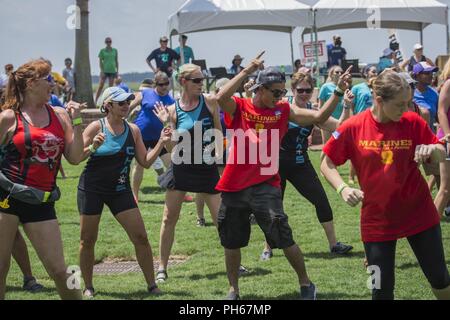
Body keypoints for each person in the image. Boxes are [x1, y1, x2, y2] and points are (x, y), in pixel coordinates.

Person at [215, 51, 352, 300]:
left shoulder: (283, 111)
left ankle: (306, 284)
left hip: (265, 184)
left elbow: (319, 117)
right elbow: (220, 96)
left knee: (283, 236)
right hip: (234, 186)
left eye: (282, 92)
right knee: (232, 242)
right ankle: (233, 289)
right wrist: (247, 70)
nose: (280, 97)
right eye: (276, 92)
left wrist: (338, 92)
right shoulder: (241, 108)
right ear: (260, 89)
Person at [320, 70, 450, 300]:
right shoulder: (353, 126)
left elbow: (441, 150)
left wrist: (433, 150)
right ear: (379, 101)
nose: (405, 109)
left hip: (419, 214)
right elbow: (326, 162)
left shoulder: (412, 121)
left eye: (408, 103)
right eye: (400, 104)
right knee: (380, 289)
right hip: (376, 221)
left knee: (440, 278)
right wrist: (343, 188)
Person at [0, 58, 85, 300]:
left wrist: (77, 121)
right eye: (47, 79)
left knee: (60, 269)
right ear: (30, 84)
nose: (52, 83)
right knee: (0, 268)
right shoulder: (8, 117)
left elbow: (76, 157)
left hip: (41, 201)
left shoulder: (59, 114)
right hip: (5, 198)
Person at [76, 86, 168, 298]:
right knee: (87, 240)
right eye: (121, 103)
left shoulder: (133, 130)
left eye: (128, 102)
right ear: (108, 106)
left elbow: (145, 162)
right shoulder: (95, 127)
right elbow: (75, 158)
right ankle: (88, 286)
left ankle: (152, 285)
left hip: (119, 190)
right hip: (92, 189)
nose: (126, 106)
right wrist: (93, 147)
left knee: (141, 237)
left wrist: (162, 142)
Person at [259, 70, 354, 261]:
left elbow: (340, 126)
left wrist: (346, 105)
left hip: (301, 164)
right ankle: (268, 247)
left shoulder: (314, 112)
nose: (304, 94)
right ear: (292, 90)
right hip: (276, 166)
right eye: (300, 90)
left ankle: (334, 245)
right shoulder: (284, 108)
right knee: (274, 209)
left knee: (322, 201)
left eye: (308, 90)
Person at [151, 64, 222, 283]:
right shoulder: (173, 111)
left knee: (222, 219)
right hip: (181, 168)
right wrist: (165, 122)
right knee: (168, 218)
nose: (202, 84)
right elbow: (172, 150)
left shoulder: (209, 101)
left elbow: (218, 131)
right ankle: (162, 268)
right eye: (197, 80)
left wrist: (219, 157)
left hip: (207, 168)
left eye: (202, 80)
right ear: (183, 82)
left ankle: (235, 265)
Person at [129, 72, 174, 202]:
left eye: (167, 84)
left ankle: (177, 192)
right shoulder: (145, 93)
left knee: (172, 164)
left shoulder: (170, 100)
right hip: (141, 136)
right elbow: (129, 106)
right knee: (139, 165)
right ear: (155, 84)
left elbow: (173, 121)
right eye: (161, 84)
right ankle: (135, 196)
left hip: (160, 138)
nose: (164, 87)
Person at [436, 58, 450, 217]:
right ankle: (429, 225)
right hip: (447, 140)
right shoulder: (448, 84)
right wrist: (448, 137)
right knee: (445, 189)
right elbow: (441, 111)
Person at [318, 66, 345, 144]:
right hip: (327, 122)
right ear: (331, 75)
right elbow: (320, 106)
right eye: (337, 72)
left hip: (340, 123)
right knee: (328, 146)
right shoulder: (325, 87)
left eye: (341, 72)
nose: (340, 74)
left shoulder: (344, 87)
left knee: (338, 145)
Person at [412, 62, 439, 130]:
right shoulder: (408, 93)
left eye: (432, 73)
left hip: (429, 137)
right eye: (427, 73)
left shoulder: (434, 94)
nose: (431, 75)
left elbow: (439, 117)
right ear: (417, 75)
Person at [95, 37, 119, 103]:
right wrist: (102, 71)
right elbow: (100, 62)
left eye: (110, 41)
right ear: (105, 42)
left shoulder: (115, 50)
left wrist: (117, 71)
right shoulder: (102, 51)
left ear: (111, 42)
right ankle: (95, 101)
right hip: (104, 71)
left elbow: (116, 61)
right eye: (107, 41)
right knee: (100, 86)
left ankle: (109, 102)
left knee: (110, 88)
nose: (108, 43)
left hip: (112, 71)